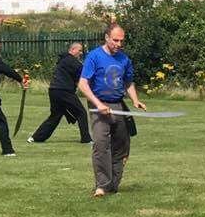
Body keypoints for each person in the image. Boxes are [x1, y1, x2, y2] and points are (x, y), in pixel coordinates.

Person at [78, 23, 146, 198]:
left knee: (121, 147)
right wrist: (98, 104)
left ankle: (113, 185)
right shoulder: (94, 57)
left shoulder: (124, 59)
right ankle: (101, 185)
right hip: (98, 105)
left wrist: (135, 100)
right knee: (101, 144)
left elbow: (128, 82)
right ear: (107, 38)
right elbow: (83, 84)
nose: (118, 44)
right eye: (115, 40)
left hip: (118, 105)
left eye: (121, 41)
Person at [28, 42, 91, 145]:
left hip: (54, 90)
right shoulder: (71, 61)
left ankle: (36, 138)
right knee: (81, 113)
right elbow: (83, 73)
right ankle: (86, 139)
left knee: (55, 115)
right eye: (79, 51)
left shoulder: (63, 60)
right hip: (64, 91)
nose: (80, 53)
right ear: (72, 50)